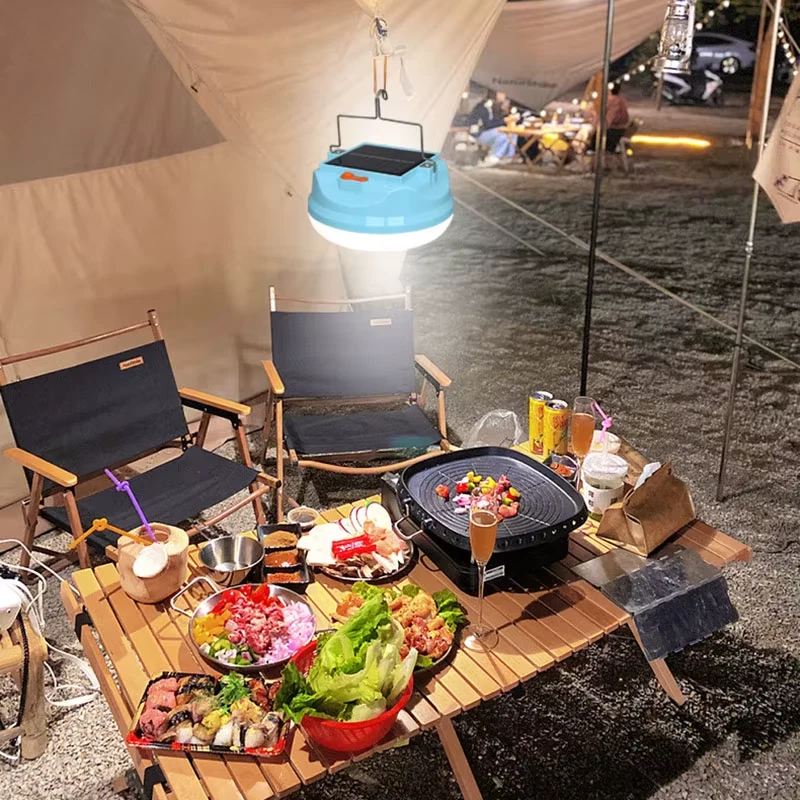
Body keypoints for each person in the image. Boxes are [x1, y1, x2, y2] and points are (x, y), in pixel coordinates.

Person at [467, 90, 516, 166]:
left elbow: (496, 121)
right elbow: (488, 125)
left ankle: (509, 155)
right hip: (479, 134)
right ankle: (494, 156)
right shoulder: (484, 106)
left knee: (513, 133)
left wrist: (505, 114)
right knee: (503, 135)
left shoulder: (495, 106)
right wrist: (503, 121)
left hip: (487, 132)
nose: (504, 96)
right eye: (502, 93)